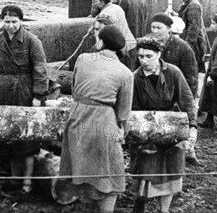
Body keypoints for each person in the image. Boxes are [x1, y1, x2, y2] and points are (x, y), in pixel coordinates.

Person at [60, 26, 134, 212]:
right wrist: (122, 130)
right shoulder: (125, 72)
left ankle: (88, 206)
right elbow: (124, 112)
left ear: (101, 42)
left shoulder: (83, 59)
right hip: (104, 119)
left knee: (82, 164)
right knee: (109, 169)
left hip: (78, 115)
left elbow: (76, 88)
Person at [130, 37, 197, 213]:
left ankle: (164, 210)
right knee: (145, 171)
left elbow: (188, 101)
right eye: (141, 56)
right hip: (146, 132)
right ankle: (140, 203)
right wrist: (142, 137)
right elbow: (133, 110)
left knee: (171, 172)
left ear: (159, 54)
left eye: (148, 56)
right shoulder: (136, 78)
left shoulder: (173, 73)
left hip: (172, 129)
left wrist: (193, 127)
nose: (144, 60)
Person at [0, 5, 48, 194]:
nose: (11, 26)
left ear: (21, 21)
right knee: (8, 136)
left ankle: (27, 182)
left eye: (14, 22)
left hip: (23, 90)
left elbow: (40, 69)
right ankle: (14, 179)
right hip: (2, 90)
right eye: (7, 22)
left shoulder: (32, 41)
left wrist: (38, 96)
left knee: (26, 139)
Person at [149, 12, 200, 166]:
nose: (155, 31)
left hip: (176, 95)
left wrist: (186, 99)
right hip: (155, 95)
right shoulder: (148, 46)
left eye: (159, 27)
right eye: (153, 27)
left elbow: (191, 77)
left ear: (169, 29)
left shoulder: (183, 48)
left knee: (181, 127)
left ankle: (189, 152)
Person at [94, 0, 137, 69]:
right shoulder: (116, 7)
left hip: (122, 50)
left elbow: (104, 33)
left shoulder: (106, 14)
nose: (95, 3)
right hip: (130, 45)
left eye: (96, 1)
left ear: (102, 2)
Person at [177, 0, 206, 72]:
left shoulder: (193, 5)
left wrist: (187, 46)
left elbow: (193, 27)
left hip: (194, 44)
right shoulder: (187, 4)